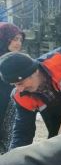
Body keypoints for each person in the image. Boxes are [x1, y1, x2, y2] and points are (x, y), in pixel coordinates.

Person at [0, 23, 25, 153]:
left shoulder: (18, 61)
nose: (18, 43)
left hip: (10, 111)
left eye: (20, 40)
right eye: (15, 39)